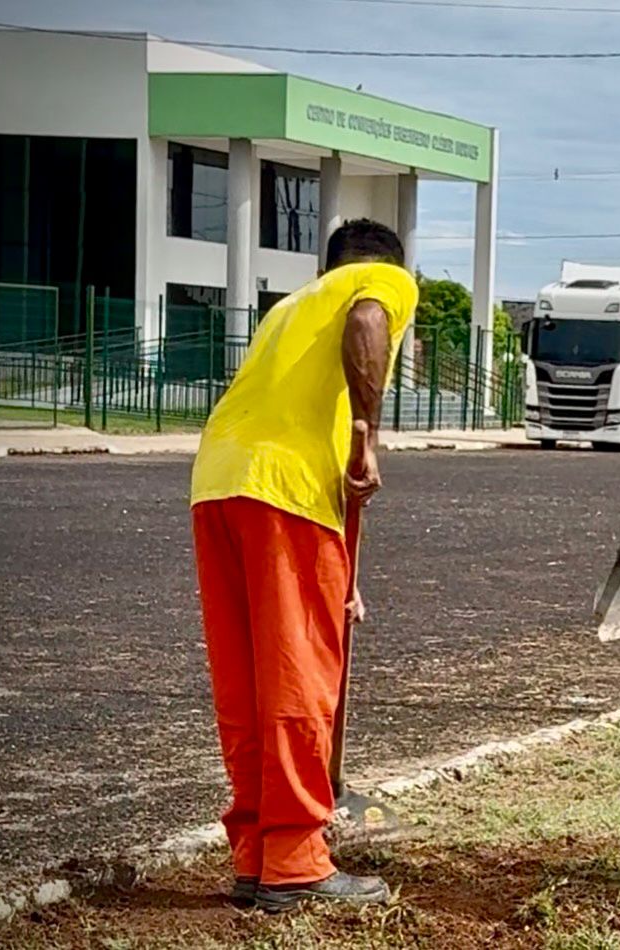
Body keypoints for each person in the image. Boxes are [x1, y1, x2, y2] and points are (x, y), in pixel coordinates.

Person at [189, 218, 418, 913]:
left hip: (218, 482)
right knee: (296, 678)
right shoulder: (380, 282)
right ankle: (295, 863)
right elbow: (371, 321)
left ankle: (257, 857)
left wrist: (345, 576)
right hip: (285, 495)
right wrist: (367, 438)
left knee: (249, 682)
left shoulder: (289, 310)